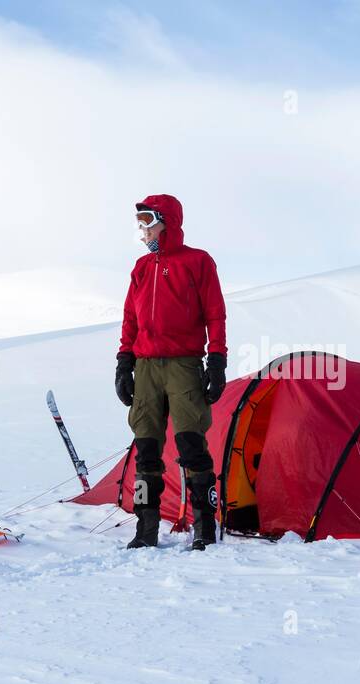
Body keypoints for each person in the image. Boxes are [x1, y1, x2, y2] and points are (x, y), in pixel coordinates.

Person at [115, 194, 227, 550]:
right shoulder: (141, 267)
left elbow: (215, 313)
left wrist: (217, 360)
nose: (142, 227)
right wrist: (124, 362)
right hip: (146, 366)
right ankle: (145, 529)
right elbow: (130, 318)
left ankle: (205, 527)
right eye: (139, 221)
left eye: (147, 219)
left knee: (191, 445)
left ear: (167, 221)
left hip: (184, 364)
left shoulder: (198, 262)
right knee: (146, 446)